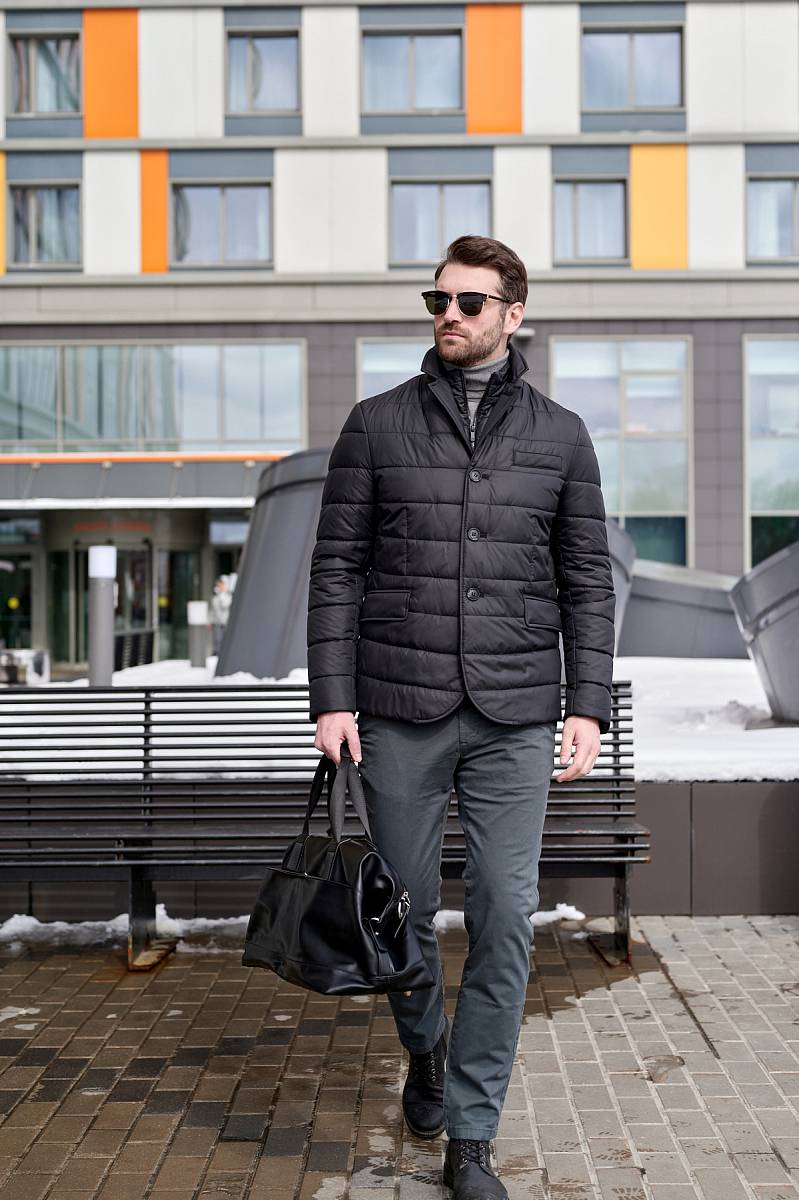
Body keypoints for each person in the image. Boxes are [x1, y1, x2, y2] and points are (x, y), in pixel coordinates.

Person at [307, 235, 615, 1200]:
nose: (449, 313)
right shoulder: (375, 424)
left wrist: (587, 705)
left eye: (469, 301)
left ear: (512, 315)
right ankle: (426, 1050)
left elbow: (586, 583)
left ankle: (471, 1135)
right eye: (438, 298)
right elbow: (336, 570)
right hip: (399, 706)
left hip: (514, 712)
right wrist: (332, 697)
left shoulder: (561, 435)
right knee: (397, 907)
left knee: (504, 917)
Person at [210, 574, 232, 655]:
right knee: (217, 640)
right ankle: (217, 654)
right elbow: (213, 610)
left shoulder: (228, 596)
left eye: (221, 584)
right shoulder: (215, 597)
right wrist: (210, 621)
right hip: (217, 623)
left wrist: (222, 594)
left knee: (226, 640)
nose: (219, 586)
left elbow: (225, 605)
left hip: (226, 622)